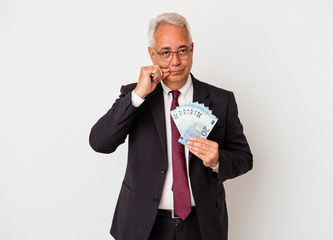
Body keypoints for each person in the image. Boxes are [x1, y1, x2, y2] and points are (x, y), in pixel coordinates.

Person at [89, 12, 253, 240]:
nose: (175, 61)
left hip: (202, 226)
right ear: (152, 55)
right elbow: (99, 142)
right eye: (166, 53)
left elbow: (244, 158)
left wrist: (218, 160)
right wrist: (138, 94)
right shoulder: (135, 95)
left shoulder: (221, 100)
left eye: (182, 50)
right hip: (144, 226)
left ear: (192, 49)